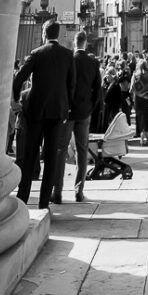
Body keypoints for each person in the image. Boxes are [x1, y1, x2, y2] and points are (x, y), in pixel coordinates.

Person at [12, 20, 75, 209]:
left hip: (36, 111)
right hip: (57, 112)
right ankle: (43, 203)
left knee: (30, 155)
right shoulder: (67, 55)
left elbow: (18, 79)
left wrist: (16, 99)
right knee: (51, 158)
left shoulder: (36, 54)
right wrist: (67, 107)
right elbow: (71, 85)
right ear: (59, 34)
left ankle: (23, 198)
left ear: (43, 33)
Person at [52, 31, 102, 204]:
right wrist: (90, 108)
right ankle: (78, 192)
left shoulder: (68, 59)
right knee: (82, 151)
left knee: (61, 151)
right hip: (84, 113)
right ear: (85, 43)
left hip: (67, 113)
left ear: (74, 42)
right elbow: (98, 90)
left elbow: (60, 86)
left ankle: (56, 192)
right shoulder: (93, 62)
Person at [130, 58, 148, 145]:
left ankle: (142, 138)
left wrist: (138, 92)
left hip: (138, 99)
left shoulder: (135, 75)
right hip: (147, 99)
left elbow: (131, 88)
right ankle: (147, 136)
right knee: (147, 118)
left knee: (140, 118)